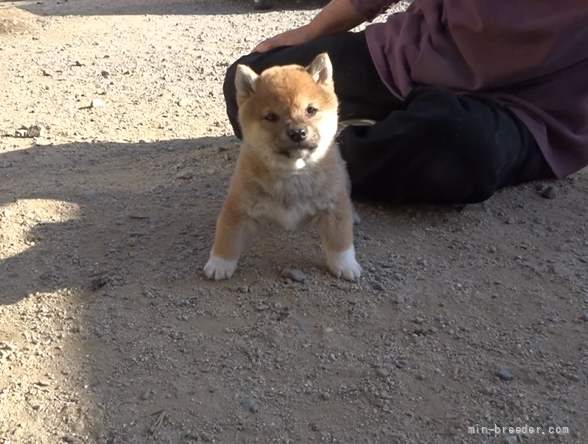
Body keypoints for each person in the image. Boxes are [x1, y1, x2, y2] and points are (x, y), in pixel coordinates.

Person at [223, 0, 588, 204]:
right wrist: (311, 32)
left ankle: (326, 164)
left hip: (527, 107)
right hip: (414, 53)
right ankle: (372, 146)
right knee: (257, 79)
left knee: (455, 145)